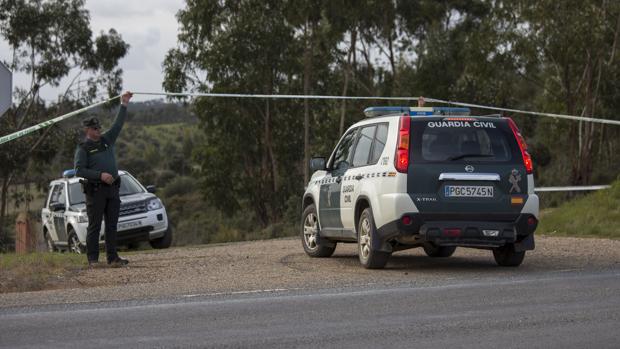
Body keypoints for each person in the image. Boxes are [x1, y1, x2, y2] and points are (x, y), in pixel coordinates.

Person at [74, 91, 133, 267]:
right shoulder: (83, 148)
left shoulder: (106, 140)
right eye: (95, 129)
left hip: (112, 189)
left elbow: (118, 125)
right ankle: (93, 260)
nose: (99, 131)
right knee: (94, 226)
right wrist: (100, 175)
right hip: (96, 191)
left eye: (99, 128)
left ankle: (113, 258)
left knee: (112, 225)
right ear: (87, 130)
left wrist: (124, 104)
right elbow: (79, 170)